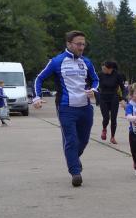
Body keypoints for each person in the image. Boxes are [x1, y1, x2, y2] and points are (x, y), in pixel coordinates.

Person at [33, 30, 99, 187]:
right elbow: (39, 78)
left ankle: (73, 159)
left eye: (83, 44)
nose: (81, 47)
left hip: (85, 108)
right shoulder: (57, 61)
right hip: (66, 108)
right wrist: (36, 97)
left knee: (83, 140)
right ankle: (75, 172)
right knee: (71, 140)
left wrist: (93, 90)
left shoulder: (87, 62)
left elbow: (96, 80)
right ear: (69, 44)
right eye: (78, 44)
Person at [97, 61, 123, 143]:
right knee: (106, 118)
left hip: (114, 98)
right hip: (103, 98)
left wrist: (123, 98)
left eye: (104, 69)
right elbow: (94, 84)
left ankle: (112, 137)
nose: (103, 70)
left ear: (110, 69)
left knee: (113, 118)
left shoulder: (117, 75)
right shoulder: (100, 75)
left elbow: (122, 87)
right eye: (102, 68)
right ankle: (104, 129)